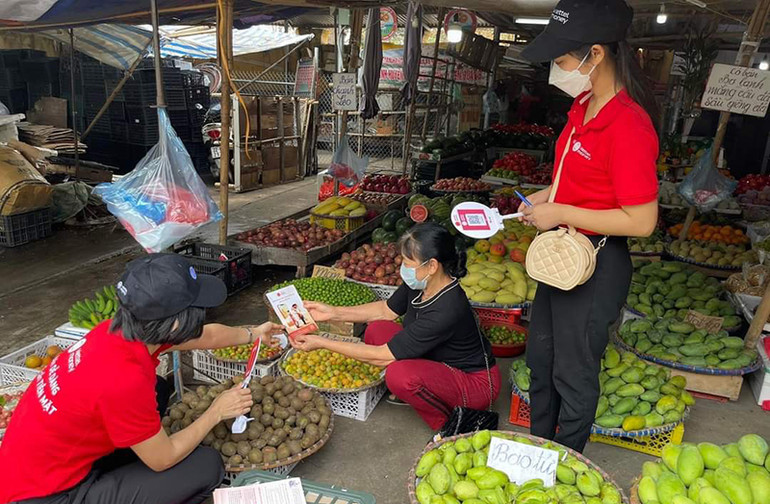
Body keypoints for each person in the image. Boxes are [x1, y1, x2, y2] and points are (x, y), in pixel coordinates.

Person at [0, 254, 283, 504]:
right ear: (175, 323)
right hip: (47, 495)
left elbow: (205, 336)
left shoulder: (119, 329)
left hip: (44, 464)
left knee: (157, 388)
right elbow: (163, 459)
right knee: (206, 466)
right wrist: (215, 412)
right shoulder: (123, 379)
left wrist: (252, 333)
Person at [518, 0, 659, 452]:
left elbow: (642, 221)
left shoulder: (629, 125)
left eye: (561, 60)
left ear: (595, 54)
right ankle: (539, 451)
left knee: (573, 373)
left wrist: (561, 213)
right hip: (561, 255)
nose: (556, 71)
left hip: (597, 265)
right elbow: (577, 180)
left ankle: (567, 461)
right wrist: (546, 197)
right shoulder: (582, 106)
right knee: (541, 360)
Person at [290, 223, 501, 430]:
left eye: (408, 263)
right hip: (436, 359)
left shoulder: (447, 308)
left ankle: (448, 423)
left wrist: (322, 342)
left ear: (432, 266)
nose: (403, 269)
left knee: (399, 375)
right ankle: (421, 388)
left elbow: (381, 356)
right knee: (377, 329)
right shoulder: (423, 283)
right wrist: (333, 312)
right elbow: (385, 310)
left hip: (473, 382)